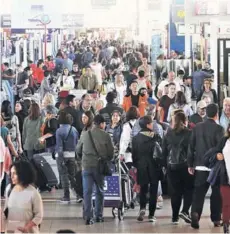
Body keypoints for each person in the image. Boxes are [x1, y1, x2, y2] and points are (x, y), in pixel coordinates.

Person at [188, 104, 224, 229]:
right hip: (215, 166)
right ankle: (216, 219)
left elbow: (191, 146)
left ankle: (195, 213)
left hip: (200, 165)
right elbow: (221, 148)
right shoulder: (219, 129)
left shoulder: (197, 127)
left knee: (199, 192)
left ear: (205, 113)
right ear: (216, 115)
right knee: (216, 193)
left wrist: (190, 164)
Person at [76, 115, 114, 225]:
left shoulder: (85, 134)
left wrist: (83, 159)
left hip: (86, 166)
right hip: (99, 167)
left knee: (87, 192)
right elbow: (110, 153)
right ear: (102, 124)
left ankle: (88, 217)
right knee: (100, 191)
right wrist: (106, 159)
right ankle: (99, 216)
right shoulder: (106, 135)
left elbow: (78, 150)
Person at [162, 111, 193, 224]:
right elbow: (192, 151)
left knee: (176, 192)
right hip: (186, 166)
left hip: (172, 167)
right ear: (185, 121)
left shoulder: (168, 134)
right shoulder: (189, 133)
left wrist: (165, 166)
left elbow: (164, 151)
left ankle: (174, 217)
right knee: (189, 189)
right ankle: (184, 211)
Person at [132, 115, 162, 222]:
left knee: (143, 189)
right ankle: (151, 215)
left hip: (141, 166)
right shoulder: (156, 136)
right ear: (148, 124)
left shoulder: (135, 138)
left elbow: (134, 155)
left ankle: (142, 208)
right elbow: (160, 153)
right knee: (154, 191)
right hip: (154, 166)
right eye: (151, 123)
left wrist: (136, 166)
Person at [4, 161, 43, 233]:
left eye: (15, 173)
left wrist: (27, 227)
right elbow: (6, 211)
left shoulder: (33, 193)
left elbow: (39, 216)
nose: (11, 176)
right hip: (11, 231)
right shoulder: (9, 189)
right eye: (11, 173)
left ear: (23, 174)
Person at [207, 124, 230, 233]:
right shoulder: (224, 140)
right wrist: (217, 155)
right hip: (225, 176)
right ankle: (226, 223)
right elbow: (213, 153)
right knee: (226, 202)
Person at [55, 111, 80, 203]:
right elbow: (77, 143)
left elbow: (59, 146)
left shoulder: (59, 131)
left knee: (64, 175)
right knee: (72, 175)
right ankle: (78, 194)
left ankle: (66, 196)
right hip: (73, 155)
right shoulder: (74, 129)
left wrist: (60, 158)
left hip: (63, 155)